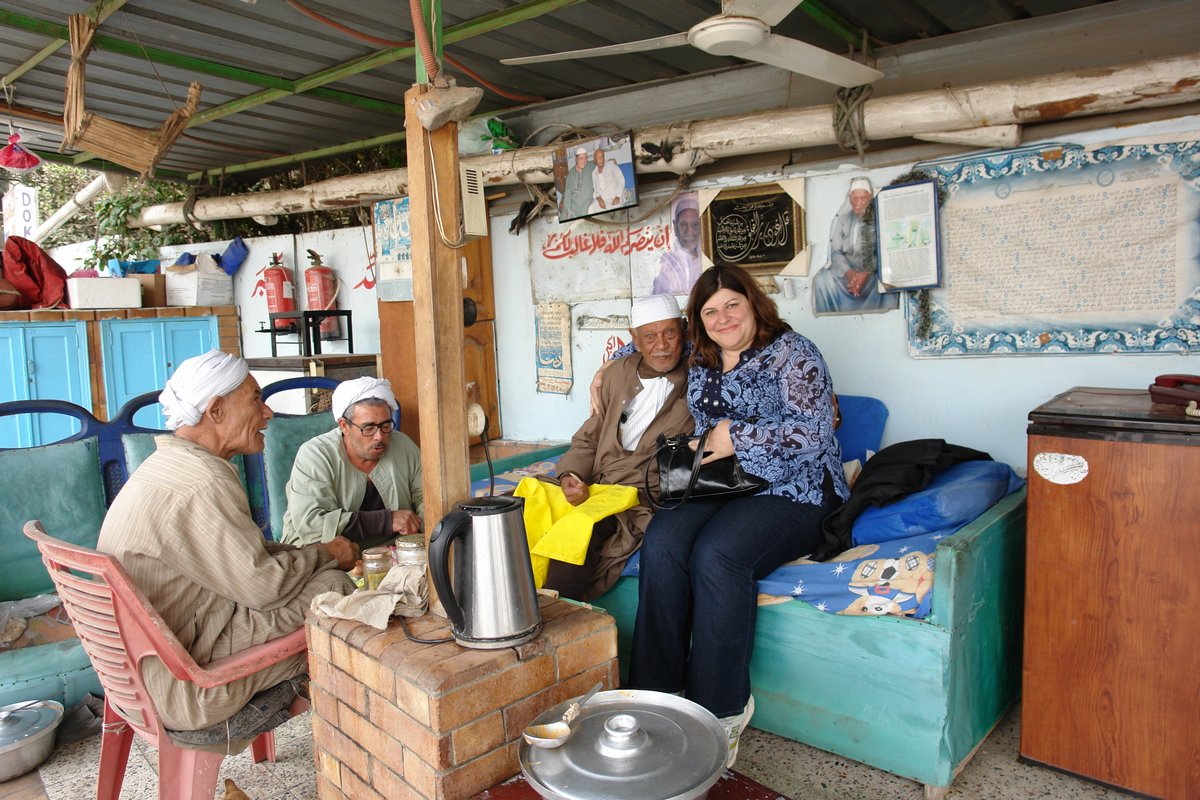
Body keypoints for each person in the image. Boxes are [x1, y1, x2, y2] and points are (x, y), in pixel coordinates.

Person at [627, 264, 849, 767]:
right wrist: (612, 366)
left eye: (733, 305)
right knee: (662, 541)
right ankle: (655, 693)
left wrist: (733, 437)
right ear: (698, 321)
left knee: (718, 554)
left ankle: (718, 709)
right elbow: (649, 345)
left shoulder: (794, 353)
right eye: (710, 311)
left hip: (800, 486)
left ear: (753, 304)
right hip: (725, 483)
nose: (723, 318)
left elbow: (815, 432)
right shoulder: (701, 355)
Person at [97, 350, 358, 741]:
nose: (267, 412)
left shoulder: (163, 465)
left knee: (320, 575)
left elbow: (244, 558)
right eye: (255, 398)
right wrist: (326, 556)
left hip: (135, 675)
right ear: (216, 410)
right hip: (185, 684)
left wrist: (314, 554)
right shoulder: (204, 481)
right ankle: (357, 742)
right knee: (336, 591)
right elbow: (263, 588)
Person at [543, 294, 695, 601]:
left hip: (637, 496)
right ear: (635, 340)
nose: (662, 345)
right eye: (650, 336)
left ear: (684, 332)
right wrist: (570, 474)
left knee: (578, 531)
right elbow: (589, 438)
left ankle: (558, 622)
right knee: (515, 510)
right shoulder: (616, 374)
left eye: (670, 333)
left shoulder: (700, 379)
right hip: (596, 484)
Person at [281, 377, 423, 548]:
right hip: (328, 552)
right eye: (368, 428)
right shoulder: (315, 454)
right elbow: (312, 525)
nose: (379, 436)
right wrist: (386, 521)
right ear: (344, 426)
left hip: (395, 549)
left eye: (386, 425)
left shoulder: (403, 445)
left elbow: (426, 499)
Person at [811, 177, 898, 314]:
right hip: (846, 272)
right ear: (850, 198)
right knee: (821, 280)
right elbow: (836, 252)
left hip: (872, 273)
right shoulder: (843, 220)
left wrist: (865, 273)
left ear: (869, 198)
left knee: (888, 281)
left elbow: (885, 251)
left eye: (863, 198)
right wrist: (850, 274)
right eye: (855, 198)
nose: (858, 203)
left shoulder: (880, 218)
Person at [653, 193, 703, 295]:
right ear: (675, 227)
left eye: (695, 225)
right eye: (683, 225)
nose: (689, 232)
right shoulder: (667, 261)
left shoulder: (707, 257)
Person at [588, 148, 627, 214]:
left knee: (615, 214)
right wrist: (599, 199)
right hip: (603, 200)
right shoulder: (594, 173)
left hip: (615, 198)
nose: (601, 159)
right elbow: (596, 190)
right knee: (591, 208)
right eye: (598, 157)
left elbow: (621, 180)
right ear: (594, 160)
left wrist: (618, 197)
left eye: (602, 156)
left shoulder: (611, 165)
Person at [562, 146, 595, 219]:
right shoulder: (571, 173)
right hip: (572, 205)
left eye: (585, 158)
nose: (584, 161)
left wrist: (611, 160)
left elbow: (601, 164)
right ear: (576, 159)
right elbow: (567, 193)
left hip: (585, 205)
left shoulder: (592, 166)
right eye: (581, 158)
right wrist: (569, 209)